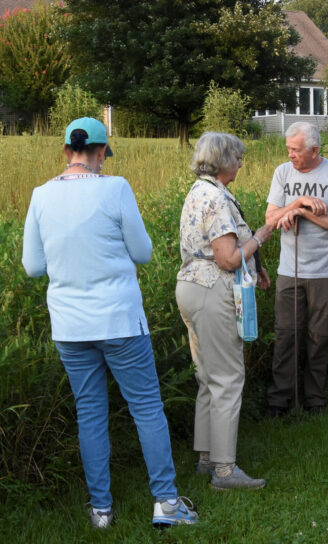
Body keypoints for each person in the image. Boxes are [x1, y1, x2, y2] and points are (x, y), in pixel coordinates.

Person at [22, 117, 198, 528]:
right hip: (118, 319)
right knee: (147, 409)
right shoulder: (115, 188)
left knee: (90, 413)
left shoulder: (40, 196)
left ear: (67, 152)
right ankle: (167, 505)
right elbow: (142, 252)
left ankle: (101, 511)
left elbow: (33, 267)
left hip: (70, 325)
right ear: (101, 152)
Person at [176, 131, 273, 490]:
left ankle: (206, 458)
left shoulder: (198, 191)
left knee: (208, 377)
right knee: (228, 379)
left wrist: (254, 264)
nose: (242, 163)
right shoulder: (216, 198)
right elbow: (228, 258)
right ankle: (225, 471)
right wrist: (261, 236)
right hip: (212, 290)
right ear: (221, 161)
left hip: (190, 286)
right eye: (237, 158)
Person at [264, 122, 328, 416]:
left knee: (320, 336)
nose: (290, 154)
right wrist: (298, 203)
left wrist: (304, 214)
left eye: (296, 150)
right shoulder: (282, 172)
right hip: (288, 271)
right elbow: (270, 219)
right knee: (285, 334)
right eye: (288, 149)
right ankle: (279, 401)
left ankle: (314, 399)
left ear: (314, 150)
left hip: (326, 271)